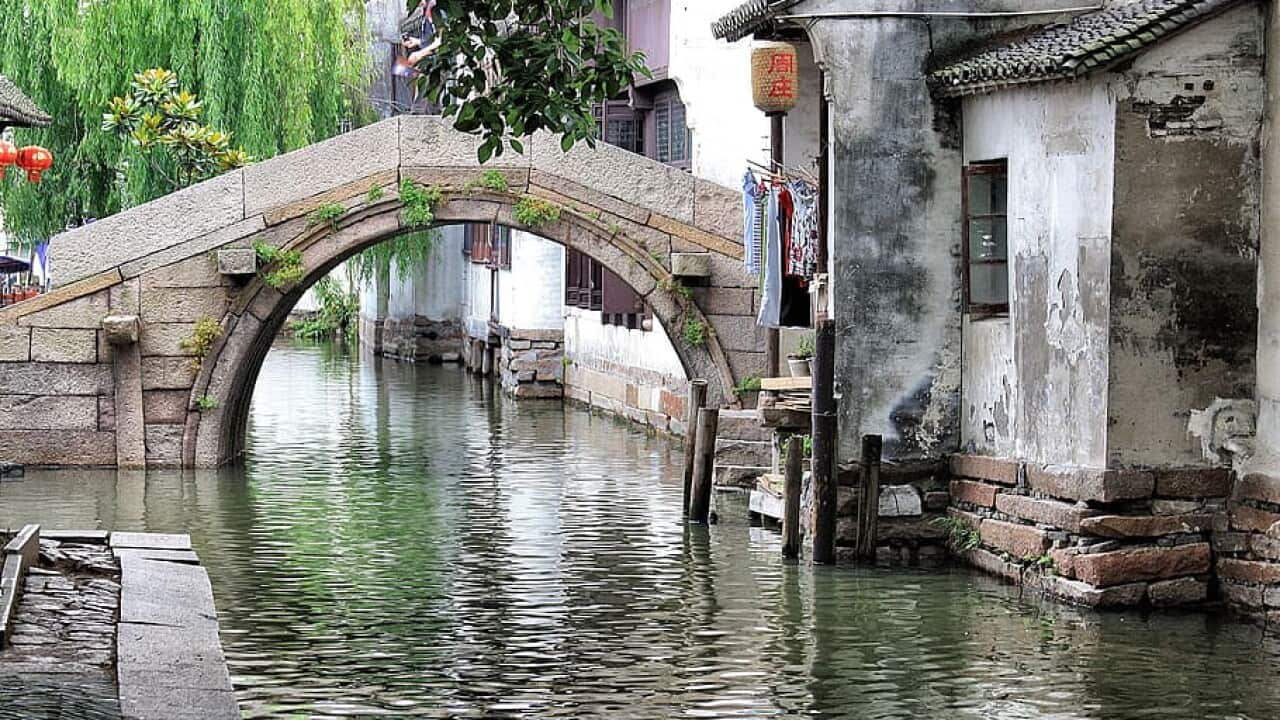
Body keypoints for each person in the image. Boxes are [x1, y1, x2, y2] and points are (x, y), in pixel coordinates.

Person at [401, 0, 442, 66]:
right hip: (424, 45)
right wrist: (417, 41)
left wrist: (420, 54)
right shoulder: (426, 7)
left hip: (430, 56)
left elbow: (439, 42)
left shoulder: (440, 12)